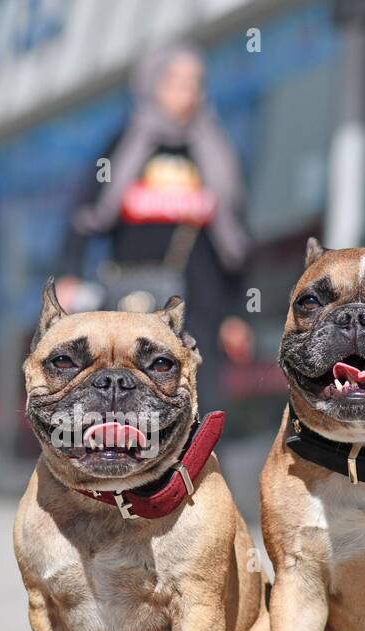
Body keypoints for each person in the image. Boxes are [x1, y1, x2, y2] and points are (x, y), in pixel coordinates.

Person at [60, 43, 252, 414]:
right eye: (175, 82)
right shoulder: (124, 146)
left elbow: (236, 238)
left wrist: (238, 312)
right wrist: (69, 273)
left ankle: (196, 473)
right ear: (151, 85)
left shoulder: (215, 150)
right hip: (135, 300)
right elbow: (86, 214)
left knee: (200, 399)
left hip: (200, 305)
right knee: (134, 395)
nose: (187, 93)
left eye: (194, 83)